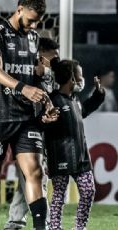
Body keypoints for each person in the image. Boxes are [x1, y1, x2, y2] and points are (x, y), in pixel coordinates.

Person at [0, 1, 58, 230]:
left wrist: (46, 101)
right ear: (19, 9)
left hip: (26, 118)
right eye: (30, 20)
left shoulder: (33, 38)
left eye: (36, 22)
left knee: (35, 171)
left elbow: (34, 77)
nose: (33, 25)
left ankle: (41, 227)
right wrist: (24, 88)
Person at [4, 37, 59, 230]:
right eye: (53, 58)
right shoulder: (26, 70)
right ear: (41, 54)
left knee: (29, 178)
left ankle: (15, 222)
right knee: (36, 176)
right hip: (24, 128)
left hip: (39, 129)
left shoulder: (50, 74)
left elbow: (75, 84)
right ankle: (42, 223)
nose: (56, 61)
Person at [44, 59, 104, 229]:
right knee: (59, 195)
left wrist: (98, 95)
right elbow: (43, 124)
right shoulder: (53, 100)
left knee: (88, 191)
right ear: (71, 77)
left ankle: (79, 227)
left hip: (81, 157)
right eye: (80, 75)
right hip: (60, 156)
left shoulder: (75, 99)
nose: (82, 79)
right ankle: (55, 227)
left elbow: (84, 111)